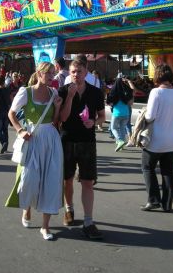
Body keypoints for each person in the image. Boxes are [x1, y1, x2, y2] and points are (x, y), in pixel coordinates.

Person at [6, 62, 63, 241]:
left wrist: (59, 107)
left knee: (52, 181)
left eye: (54, 73)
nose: (52, 76)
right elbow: (11, 114)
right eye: (49, 73)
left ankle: (45, 227)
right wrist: (20, 130)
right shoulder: (26, 92)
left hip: (51, 139)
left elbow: (55, 122)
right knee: (29, 179)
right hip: (32, 139)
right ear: (39, 73)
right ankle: (26, 209)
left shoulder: (54, 93)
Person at [58, 56, 106, 239]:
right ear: (69, 73)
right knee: (67, 179)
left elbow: (102, 116)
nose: (76, 75)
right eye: (73, 72)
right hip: (67, 140)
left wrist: (94, 121)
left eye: (79, 71)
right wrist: (70, 96)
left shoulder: (95, 92)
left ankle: (88, 220)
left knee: (87, 182)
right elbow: (62, 118)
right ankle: (69, 209)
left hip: (87, 141)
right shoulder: (63, 91)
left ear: (86, 72)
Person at [141, 64, 173, 212]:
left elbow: (150, 116)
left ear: (158, 76)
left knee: (148, 167)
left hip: (156, 139)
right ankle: (167, 203)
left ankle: (153, 199)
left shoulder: (156, 92)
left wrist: (144, 114)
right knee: (168, 170)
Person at [106, 77, 133, 151]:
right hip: (126, 113)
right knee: (122, 128)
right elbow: (131, 101)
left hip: (117, 113)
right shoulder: (126, 92)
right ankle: (122, 145)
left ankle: (119, 141)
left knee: (113, 128)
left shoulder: (113, 92)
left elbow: (109, 102)